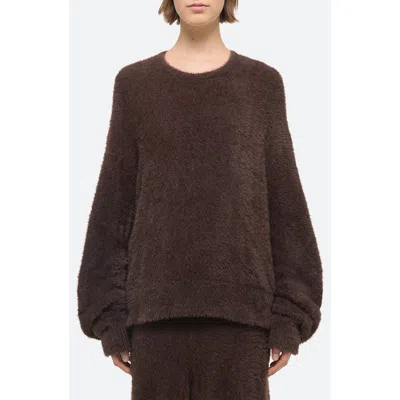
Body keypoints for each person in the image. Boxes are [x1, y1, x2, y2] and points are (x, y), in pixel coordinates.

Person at [76, 1, 323, 399]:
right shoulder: (135, 85)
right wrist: (108, 316)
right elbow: (114, 202)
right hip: (155, 322)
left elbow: (285, 202)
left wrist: (291, 316)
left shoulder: (261, 84)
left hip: (242, 322)